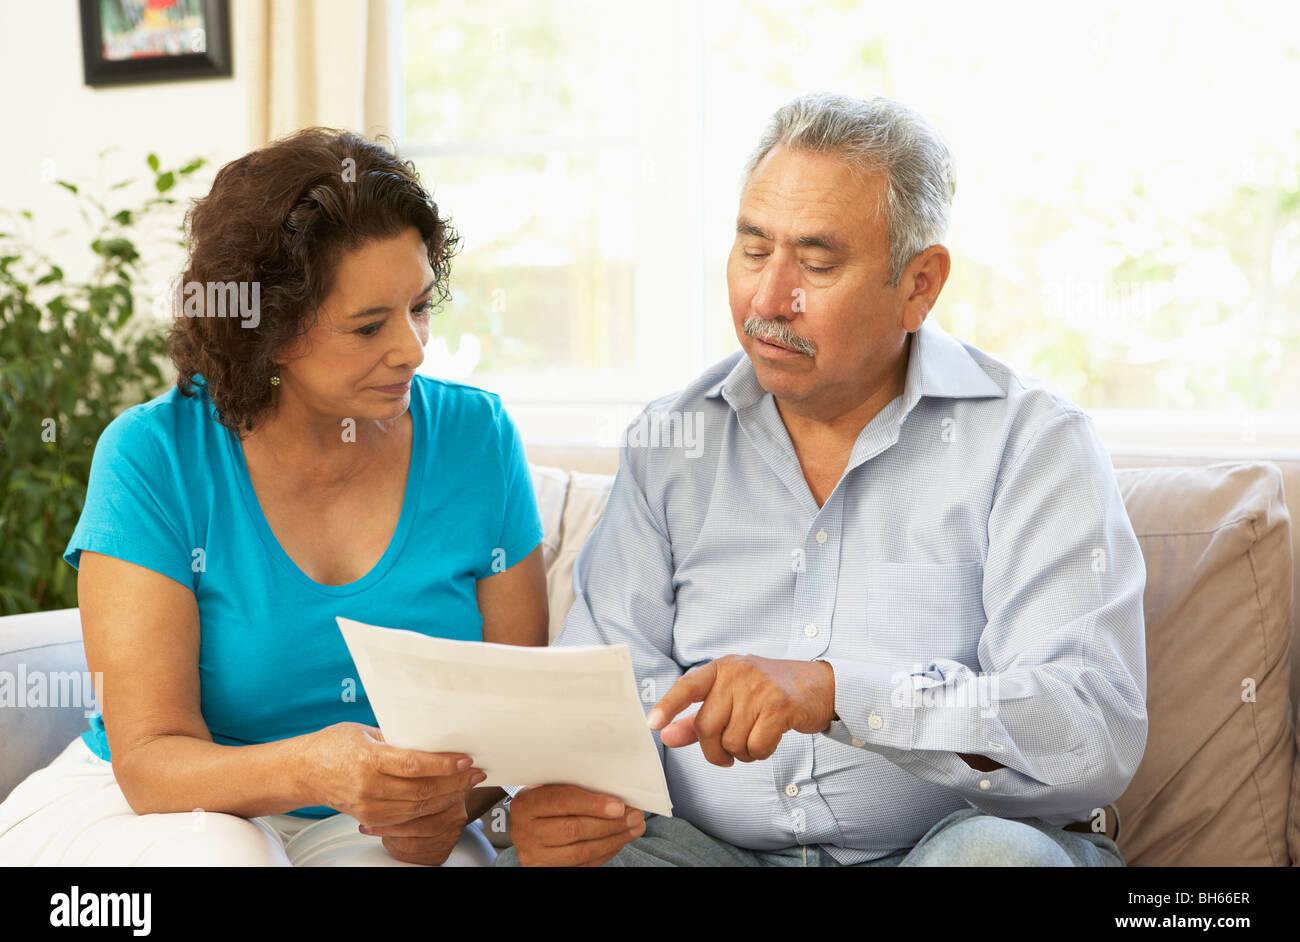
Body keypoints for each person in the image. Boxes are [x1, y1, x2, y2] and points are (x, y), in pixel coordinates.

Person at [497, 93, 1147, 867]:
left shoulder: (1032, 443)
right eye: (751, 249)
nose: (768, 301)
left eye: (816, 262)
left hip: (946, 851)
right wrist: (543, 810)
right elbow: (593, 696)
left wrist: (841, 694)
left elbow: (1089, 728)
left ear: (919, 284)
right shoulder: (673, 442)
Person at [0, 128, 548, 866]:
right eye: (368, 326)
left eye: (420, 306)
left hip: (374, 825)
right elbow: (150, 758)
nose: (415, 348)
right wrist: (313, 767)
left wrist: (446, 804)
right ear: (269, 330)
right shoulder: (153, 456)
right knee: (225, 857)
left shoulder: (477, 438)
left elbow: (513, 715)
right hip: (154, 806)